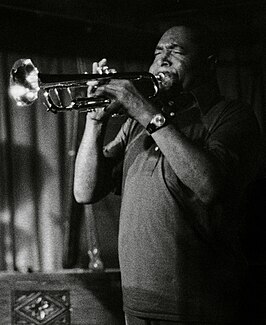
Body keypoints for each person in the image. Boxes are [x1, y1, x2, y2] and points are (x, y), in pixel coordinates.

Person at [73, 22, 261, 324]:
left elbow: (210, 185)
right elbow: (84, 191)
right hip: (136, 306)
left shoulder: (230, 115)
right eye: (158, 52)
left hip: (200, 306)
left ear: (209, 63)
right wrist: (93, 123)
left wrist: (145, 110)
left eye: (176, 52)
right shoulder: (135, 124)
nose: (162, 59)